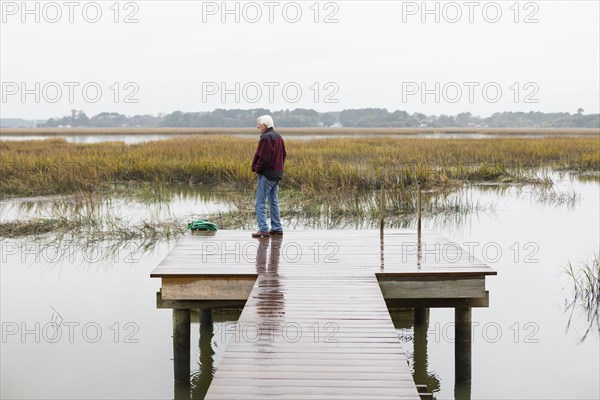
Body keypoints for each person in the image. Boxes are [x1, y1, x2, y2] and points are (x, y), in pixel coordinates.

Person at [251, 115, 286, 238]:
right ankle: (277, 228)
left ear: (265, 125)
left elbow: (264, 157)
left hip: (267, 174)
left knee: (260, 202)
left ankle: (263, 229)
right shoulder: (278, 137)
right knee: (273, 201)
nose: (257, 127)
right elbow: (284, 155)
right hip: (277, 174)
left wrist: (257, 169)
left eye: (259, 124)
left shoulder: (265, 138)